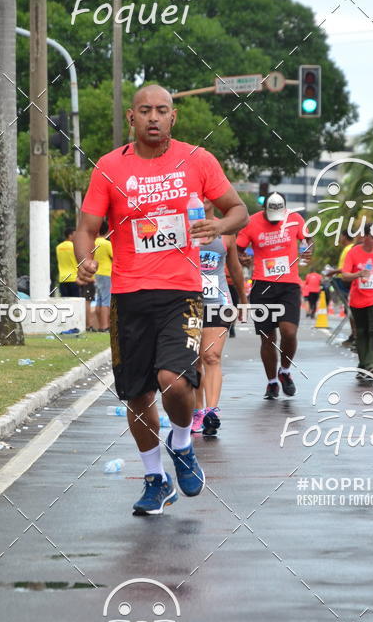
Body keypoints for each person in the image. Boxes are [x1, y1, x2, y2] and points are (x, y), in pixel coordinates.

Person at [74, 84, 247, 515]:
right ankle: (155, 478)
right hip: (129, 297)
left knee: (174, 379)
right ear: (131, 118)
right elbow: (86, 228)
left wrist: (219, 226)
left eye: (163, 110)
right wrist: (85, 259)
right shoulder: (110, 167)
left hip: (182, 293)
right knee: (137, 397)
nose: (154, 117)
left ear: (174, 118)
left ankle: (183, 444)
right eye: (145, 110)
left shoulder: (198, 160)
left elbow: (238, 209)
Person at [236, 191, 310, 399]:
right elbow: (238, 248)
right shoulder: (251, 222)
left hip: (289, 285)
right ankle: (271, 383)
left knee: (289, 332)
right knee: (267, 338)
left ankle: (285, 371)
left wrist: (307, 249)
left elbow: (308, 240)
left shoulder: (295, 219)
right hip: (263, 286)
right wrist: (243, 258)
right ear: (264, 210)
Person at [192, 198, 247, 437]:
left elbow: (234, 268)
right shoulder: (183, 229)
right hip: (187, 302)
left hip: (218, 300)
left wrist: (243, 301)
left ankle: (211, 411)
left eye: (206, 194)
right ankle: (196, 412)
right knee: (192, 362)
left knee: (211, 356)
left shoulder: (226, 231)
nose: (202, 199)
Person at [341, 224, 373, 380]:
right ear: (365, 237)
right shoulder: (353, 252)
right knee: (361, 332)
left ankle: (372, 365)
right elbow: (345, 276)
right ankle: (364, 366)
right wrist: (359, 274)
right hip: (358, 299)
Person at [93, 221, 113, 331]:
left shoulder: (93, 242)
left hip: (96, 273)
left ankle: (100, 325)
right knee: (106, 300)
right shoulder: (106, 243)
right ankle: (105, 326)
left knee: (99, 300)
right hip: (106, 273)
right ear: (107, 230)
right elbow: (114, 257)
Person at [56, 227, 80, 297]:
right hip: (73, 278)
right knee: (75, 303)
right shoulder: (75, 246)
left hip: (62, 279)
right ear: (70, 235)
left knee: (66, 305)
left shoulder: (58, 247)